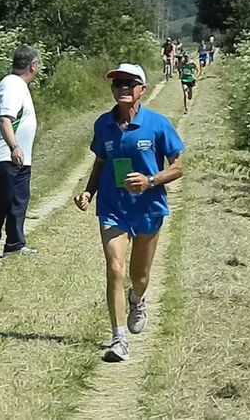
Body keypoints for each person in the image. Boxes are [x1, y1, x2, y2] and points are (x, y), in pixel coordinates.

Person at [74, 63, 184, 362]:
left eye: (129, 83)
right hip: (113, 207)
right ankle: (118, 338)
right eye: (117, 84)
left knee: (140, 275)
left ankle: (138, 299)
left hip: (148, 208)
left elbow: (178, 167)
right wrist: (88, 191)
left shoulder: (158, 124)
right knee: (115, 269)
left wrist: (150, 181)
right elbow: (100, 162)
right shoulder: (103, 124)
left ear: (141, 90)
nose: (122, 88)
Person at [0, 44, 40, 258]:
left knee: (18, 201)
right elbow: (5, 119)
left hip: (19, 157)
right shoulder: (12, 86)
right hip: (4, 156)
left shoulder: (18, 85)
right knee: (2, 200)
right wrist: (14, 147)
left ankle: (15, 243)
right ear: (33, 65)